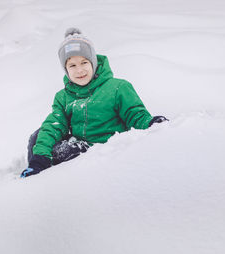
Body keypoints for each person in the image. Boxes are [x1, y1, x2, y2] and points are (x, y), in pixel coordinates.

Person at [20, 28, 167, 178]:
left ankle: (59, 174)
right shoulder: (63, 97)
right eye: (72, 65)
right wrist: (38, 159)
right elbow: (54, 125)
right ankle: (36, 173)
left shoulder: (117, 88)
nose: (79, 70)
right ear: (65, 70)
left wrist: (150, 123)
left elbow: (135, 114)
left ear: (93, 62)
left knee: (64, 150)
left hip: (108, 150)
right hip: (77, 145)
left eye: (84, 62)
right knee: (37, 137)